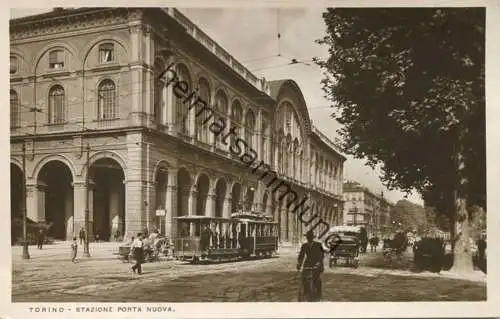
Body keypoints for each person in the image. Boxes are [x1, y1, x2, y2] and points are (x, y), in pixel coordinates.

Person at [297, 230, 324, 301]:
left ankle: (318, 294)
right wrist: (299, 263)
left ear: (312, 237)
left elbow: (321, 255)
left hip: (317, 264)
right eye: (308, 237)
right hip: (308, 264)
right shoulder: (304, 245)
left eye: (310, 237)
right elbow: (301, 255)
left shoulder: (318, 245)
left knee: (317, 279)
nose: (309, 238)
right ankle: (306, 291)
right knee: (304, 277)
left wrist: (318, 263)